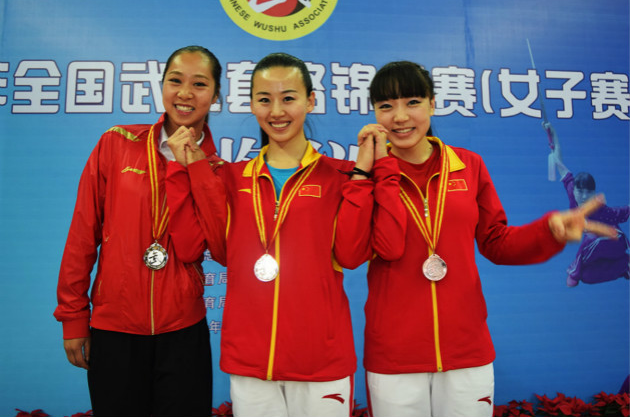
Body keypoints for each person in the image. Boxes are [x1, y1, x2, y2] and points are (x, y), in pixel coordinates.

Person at [357, 61, 618, 417]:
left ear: (432, 104)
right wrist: (373, 172)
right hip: (394, 352)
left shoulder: (468, 165)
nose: (400, 117)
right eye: (386, 106)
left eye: (413, 102)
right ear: (374, 113)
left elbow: (496, 242)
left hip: (467, 349)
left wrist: (549, 230)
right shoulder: (365, 176)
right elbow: (361, 248)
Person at [165, 52, 376, 417]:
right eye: (264, 99)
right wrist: (187, 170)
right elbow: (203, 249)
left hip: (321, 359)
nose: (277, 111)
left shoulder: (342, 176)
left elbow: (353, 256)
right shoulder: (230, 178)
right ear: (251, 104)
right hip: (251, 360)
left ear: (311, 101)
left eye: (288, 98)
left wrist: (362, 178)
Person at [53, 45, 221, 416]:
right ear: (161, 86)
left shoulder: (217, 169)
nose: (185, 93)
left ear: (215, 96)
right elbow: (83, 233)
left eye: (199, 84)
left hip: (183, 329)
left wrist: (190, 169)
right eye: (175, 81)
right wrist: (73, 315)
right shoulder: (117, 143)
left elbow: (206, 248)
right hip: (115, 326)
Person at [545, 121, 630, 287]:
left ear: (594, 193)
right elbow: (559, 162)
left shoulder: (601, 210)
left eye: (589, 192)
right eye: (581, 191)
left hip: (614, 242)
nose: (584, 196)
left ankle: (574, 271)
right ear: (575, 190)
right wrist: (552, 133)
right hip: (597, 248)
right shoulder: (571, 191)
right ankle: (624, 266)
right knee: (588, 276)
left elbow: (625, 211)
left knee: (589, 241)